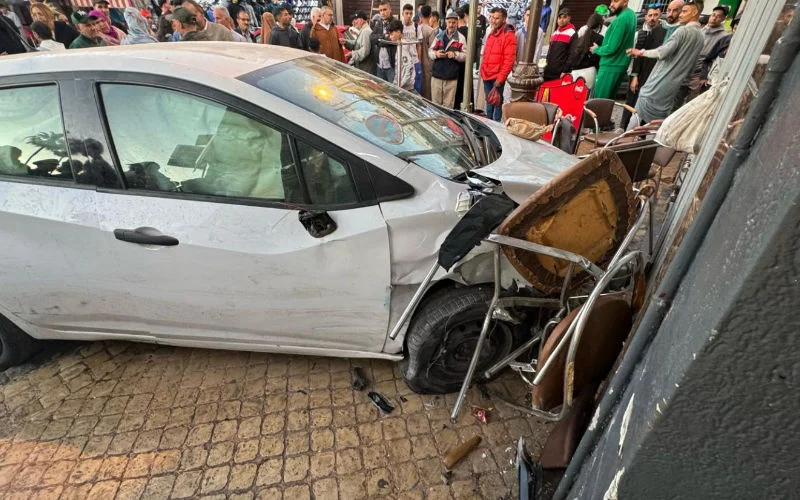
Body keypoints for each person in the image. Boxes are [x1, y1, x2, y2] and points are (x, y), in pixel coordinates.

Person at [628, 0, 704, 124]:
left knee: (637, 116)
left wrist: (641, 52)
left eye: (684, 11)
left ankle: (627, 136)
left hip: (659, 85)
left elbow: (662, 53)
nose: (680, 15)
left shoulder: (682, 31)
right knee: (660, 124)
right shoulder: (701, 36)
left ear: (695, 12)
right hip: (675, 88)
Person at [620, 6, 665, 129]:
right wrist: (634, 75)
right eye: (650, 15)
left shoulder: (663, 33)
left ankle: (640, 131)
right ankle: (623, 127)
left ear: (659, 16)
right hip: (636, 73)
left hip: (652, 74)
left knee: (646, 104)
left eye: (655, 15)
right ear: (646, 17)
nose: (652, 18)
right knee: (631, 101)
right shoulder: (639, 34)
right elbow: (634, 56)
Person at [678, 5, 728, 103]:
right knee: (678, 97)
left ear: (723, 19)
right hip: (687, 69)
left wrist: (704, 76)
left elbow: (715, 60)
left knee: (692, 101)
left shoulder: (723, 36)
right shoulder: (701, 30)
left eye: (718, 16)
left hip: (700, 73)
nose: (714, 18)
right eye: (713, 15)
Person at [590, 0, 636, 99]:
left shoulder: (620, 20)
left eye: (616, 1)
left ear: (625, 2)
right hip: (620, 65)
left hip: (610, 66)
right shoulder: (631, 14)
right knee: (608, 101)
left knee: (599, 101)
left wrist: (597, 49)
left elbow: (611, 48)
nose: (611, 5)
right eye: (612, 1)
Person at [480, 7, 516, 121]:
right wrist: (482, 69)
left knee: (497, 103)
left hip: (497, 76)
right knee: (489, 102)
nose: (493, 20)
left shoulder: (508, 35)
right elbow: (486, 53)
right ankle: (488, 123)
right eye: (492, 17)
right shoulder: (491, 32)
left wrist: (500, 78)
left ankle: (495, 125)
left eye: (497, 18)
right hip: (486, 74)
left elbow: (509, 60)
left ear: (504, 19)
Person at [429, 11, 466, 108]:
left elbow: (465, 56)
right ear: (446, 22)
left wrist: (455, 55)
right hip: (437, 76)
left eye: (454, 22)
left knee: (448, 106)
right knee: (435, 105)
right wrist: (436, 54)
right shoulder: (439, 36)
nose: (451, 25)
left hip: (451, 77)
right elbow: (430, 52)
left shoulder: (460, 38)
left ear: (457, 23)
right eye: (449, 22)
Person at [566, 13, 604, 89]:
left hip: (574, 73)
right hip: (590, 72)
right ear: (599, 26)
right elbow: (598, 58)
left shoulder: (580, 38)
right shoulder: (600, 38)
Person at [543, 8, 575, 82]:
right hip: (548, 71)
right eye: (559, 17)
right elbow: (549, 52)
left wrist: (565, 71)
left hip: (560, 73)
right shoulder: (554, 33)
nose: (561, 20)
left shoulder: (572, 33)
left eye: (564, 17)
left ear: (569, 18)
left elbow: (572, 54)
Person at [371, 0, 397, 81]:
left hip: (391, 66)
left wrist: (379, 41)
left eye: (385, 9)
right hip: (380, 65)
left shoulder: (396, 23)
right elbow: (371, 38)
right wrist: (383, 37)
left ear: (390, 9)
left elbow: (392, 41)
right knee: (380, 88)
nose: (382, 13)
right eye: (380, 10)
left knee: (392, 88)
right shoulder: (379, 23)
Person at [400, 3, 421, 94]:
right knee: (403, 87)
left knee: (417, 87)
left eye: (410, 13)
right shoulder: (399, 26)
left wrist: (419, 60)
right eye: (407, 13)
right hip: (403, 62)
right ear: (402, 14)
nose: (409, 16)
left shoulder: (416, 27)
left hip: (414, 61)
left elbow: (419, 45)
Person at [387, 19, 414, 89]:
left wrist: (399, 85)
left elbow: (409, 68)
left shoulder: (403, 46)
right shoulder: (400, 44)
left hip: (405, 87)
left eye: (392, 34)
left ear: (399, 32)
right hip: (401, 83)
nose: (390, 37)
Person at [418, 5, 435, 100]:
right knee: (428, 89)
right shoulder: (431, 31)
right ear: (430, 15)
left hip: (417, 61)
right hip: (428, 63)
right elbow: (433, 49)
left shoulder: (417, 28)